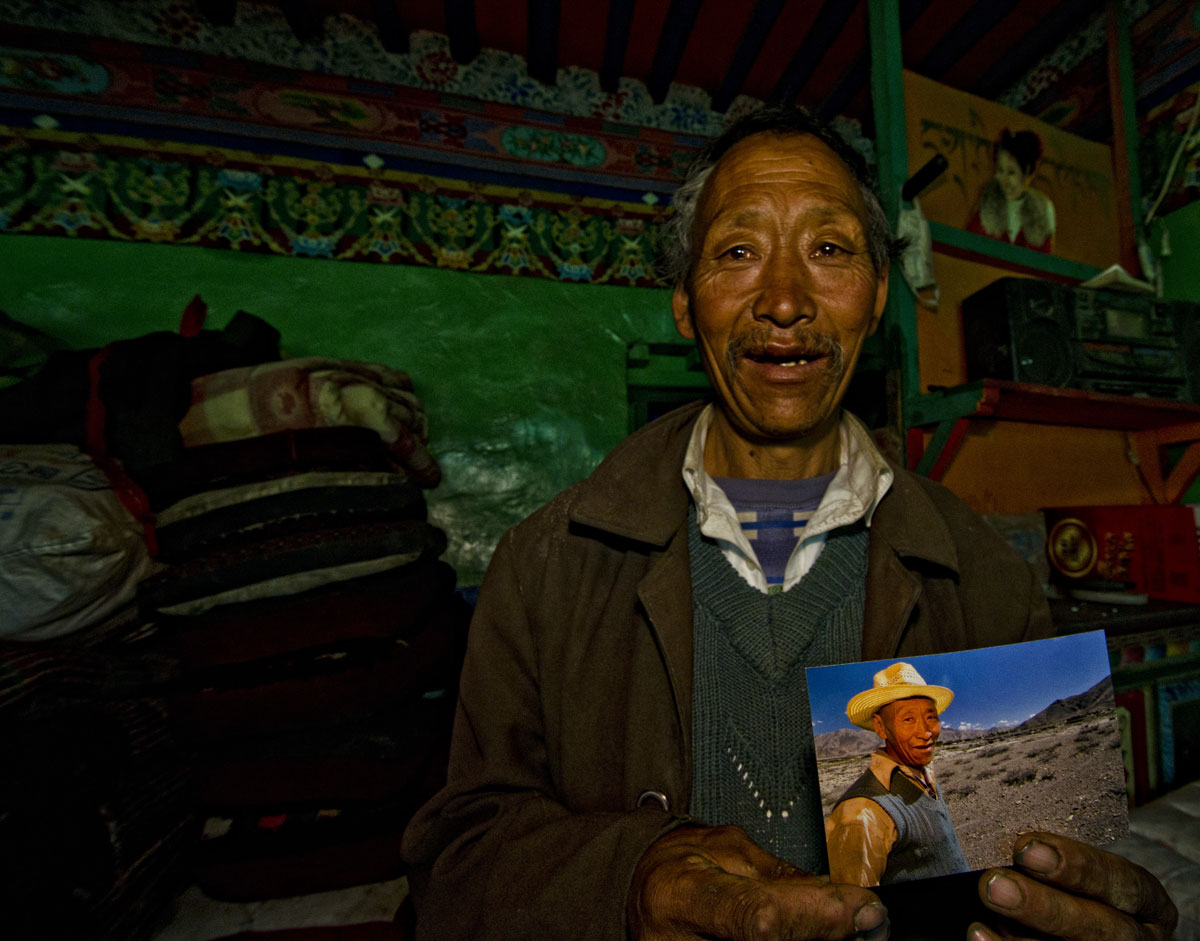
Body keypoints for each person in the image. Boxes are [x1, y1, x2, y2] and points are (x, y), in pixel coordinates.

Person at [400, 106, 1176, 941]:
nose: (782, 300)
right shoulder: (546, 566)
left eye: (830, 250)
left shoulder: (981, 574)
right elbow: (456, 856)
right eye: (737, 252)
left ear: (877, 298)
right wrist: (629, 882)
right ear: (685, 304)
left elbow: (1034, 852)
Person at [825, 662, 967, 887]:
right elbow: (858, 910)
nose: (926, 732)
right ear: (880, 727)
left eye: (931, 717)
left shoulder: (925, 773)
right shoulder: (862, 813)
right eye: (908, 719)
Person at [967, 128, 1056, 253]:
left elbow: (1045, 263)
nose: (1004, 180)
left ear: (1028, 172)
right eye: (1000, 171)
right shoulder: (987, 204)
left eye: (1011, 173)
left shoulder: (1043, 210)